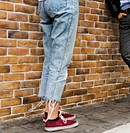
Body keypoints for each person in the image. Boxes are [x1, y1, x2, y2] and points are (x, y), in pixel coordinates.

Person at [37, 0, 79, 131]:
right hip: (64, 3)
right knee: (60, 61)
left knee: (50, 60)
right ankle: (53, 119)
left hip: (44, 4)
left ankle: (49, 111)